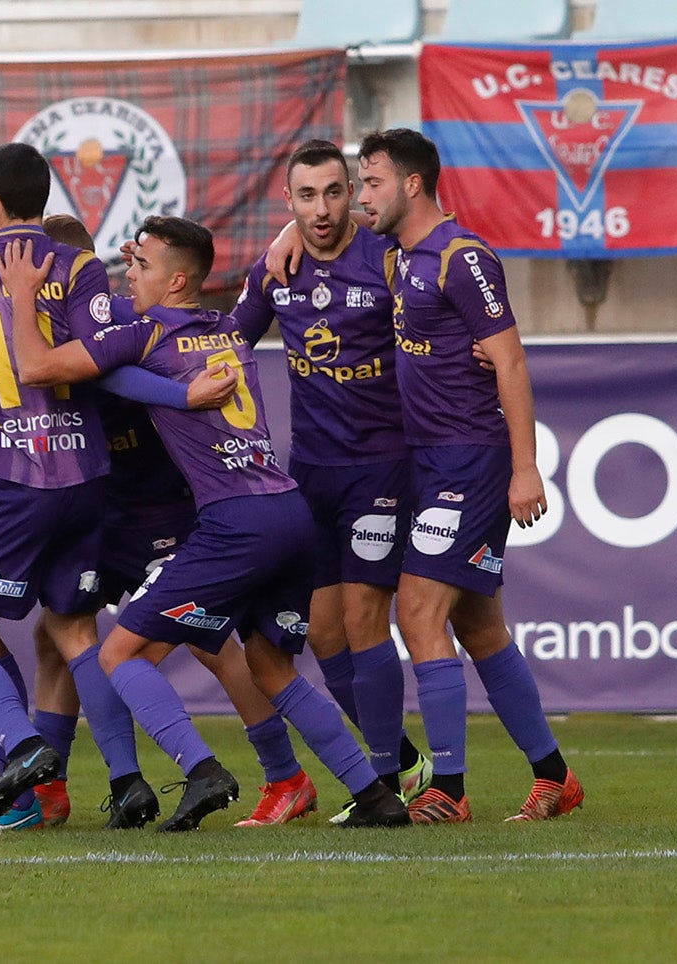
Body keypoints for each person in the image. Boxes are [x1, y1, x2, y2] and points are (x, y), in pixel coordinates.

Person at [0, 215, 412, 832]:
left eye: (140, 267)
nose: (127, 274)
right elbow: (240, 294)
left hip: (234, 522)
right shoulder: (226, 328)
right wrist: (283, 237)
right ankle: (376, 795)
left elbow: (36, 367)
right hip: (289, 511)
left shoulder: (145, 333)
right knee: (272, 668)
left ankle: (203, 769)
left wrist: (22, 295)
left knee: (119, 652)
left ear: (177, 281)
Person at [0, 143, 196, 831]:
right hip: (89, 477)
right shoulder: (80, 266)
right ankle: (127, 783)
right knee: (72, 632)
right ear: (45, 196)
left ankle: (25, 745)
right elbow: (104, 365)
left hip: (14, 478)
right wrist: (182, 396)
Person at [36, 214, 319, 829]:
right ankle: (74, 786)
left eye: (51, 271)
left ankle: (280, 773)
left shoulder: (114, 323)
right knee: (58, 631)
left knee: (203, 639)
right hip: (97, 514)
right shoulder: (88, 319)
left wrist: (289, 233)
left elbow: (98, 367)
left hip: (161, 511)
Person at [353, 127, 582, 823]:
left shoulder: (463, 256)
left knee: (417, 610)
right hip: (427, 462)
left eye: (372, 182)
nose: (362, 197)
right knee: (479, 628)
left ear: (413, 184)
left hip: (473, 460)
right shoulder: (399, 259)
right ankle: (555, 778)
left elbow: (509, 362)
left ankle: (447, 790)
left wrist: (525, 468)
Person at [232, 139, 432, 823]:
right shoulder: (275, 269)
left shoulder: (387, 258)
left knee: (363, 618)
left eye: (334, 192)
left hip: (381, 467)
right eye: (307, 197)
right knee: (321, 635)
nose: (322, 209)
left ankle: (381, 779)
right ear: (288, 201)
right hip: (309, 472)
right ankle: (401, 759)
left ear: (354, 194)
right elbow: (230, 344)